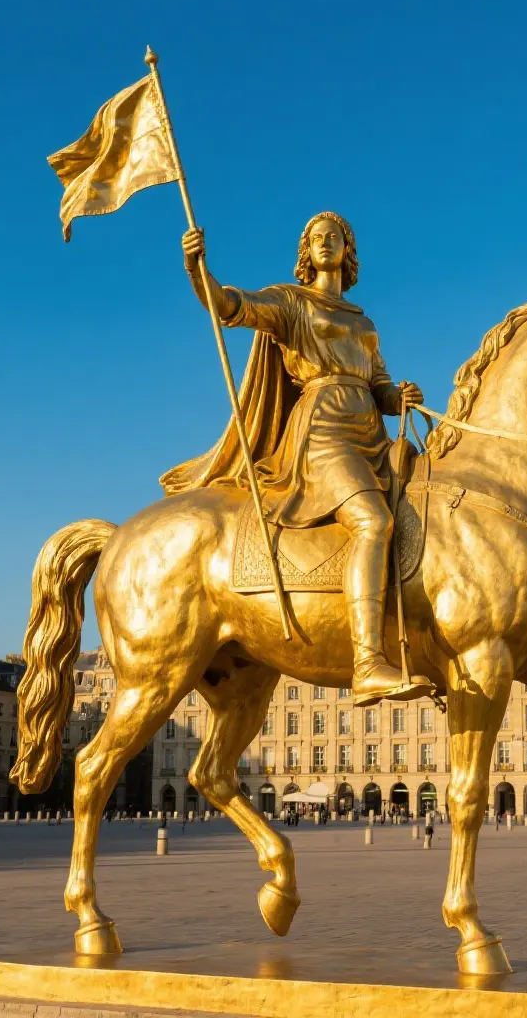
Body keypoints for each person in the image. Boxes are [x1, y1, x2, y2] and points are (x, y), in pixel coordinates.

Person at [168, 216, 435, 707]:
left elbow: (378, 386)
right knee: (373, 523)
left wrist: (399, 396)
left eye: (335, 236)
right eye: (316, 238)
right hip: (324, 430)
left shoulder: (363, 321)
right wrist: (196, 269)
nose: (325, 242)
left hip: (370, 432)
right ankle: (367, 663)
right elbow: (230, 306)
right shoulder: (291, 301)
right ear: (306, 253)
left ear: (348, 249)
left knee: (426, 514)